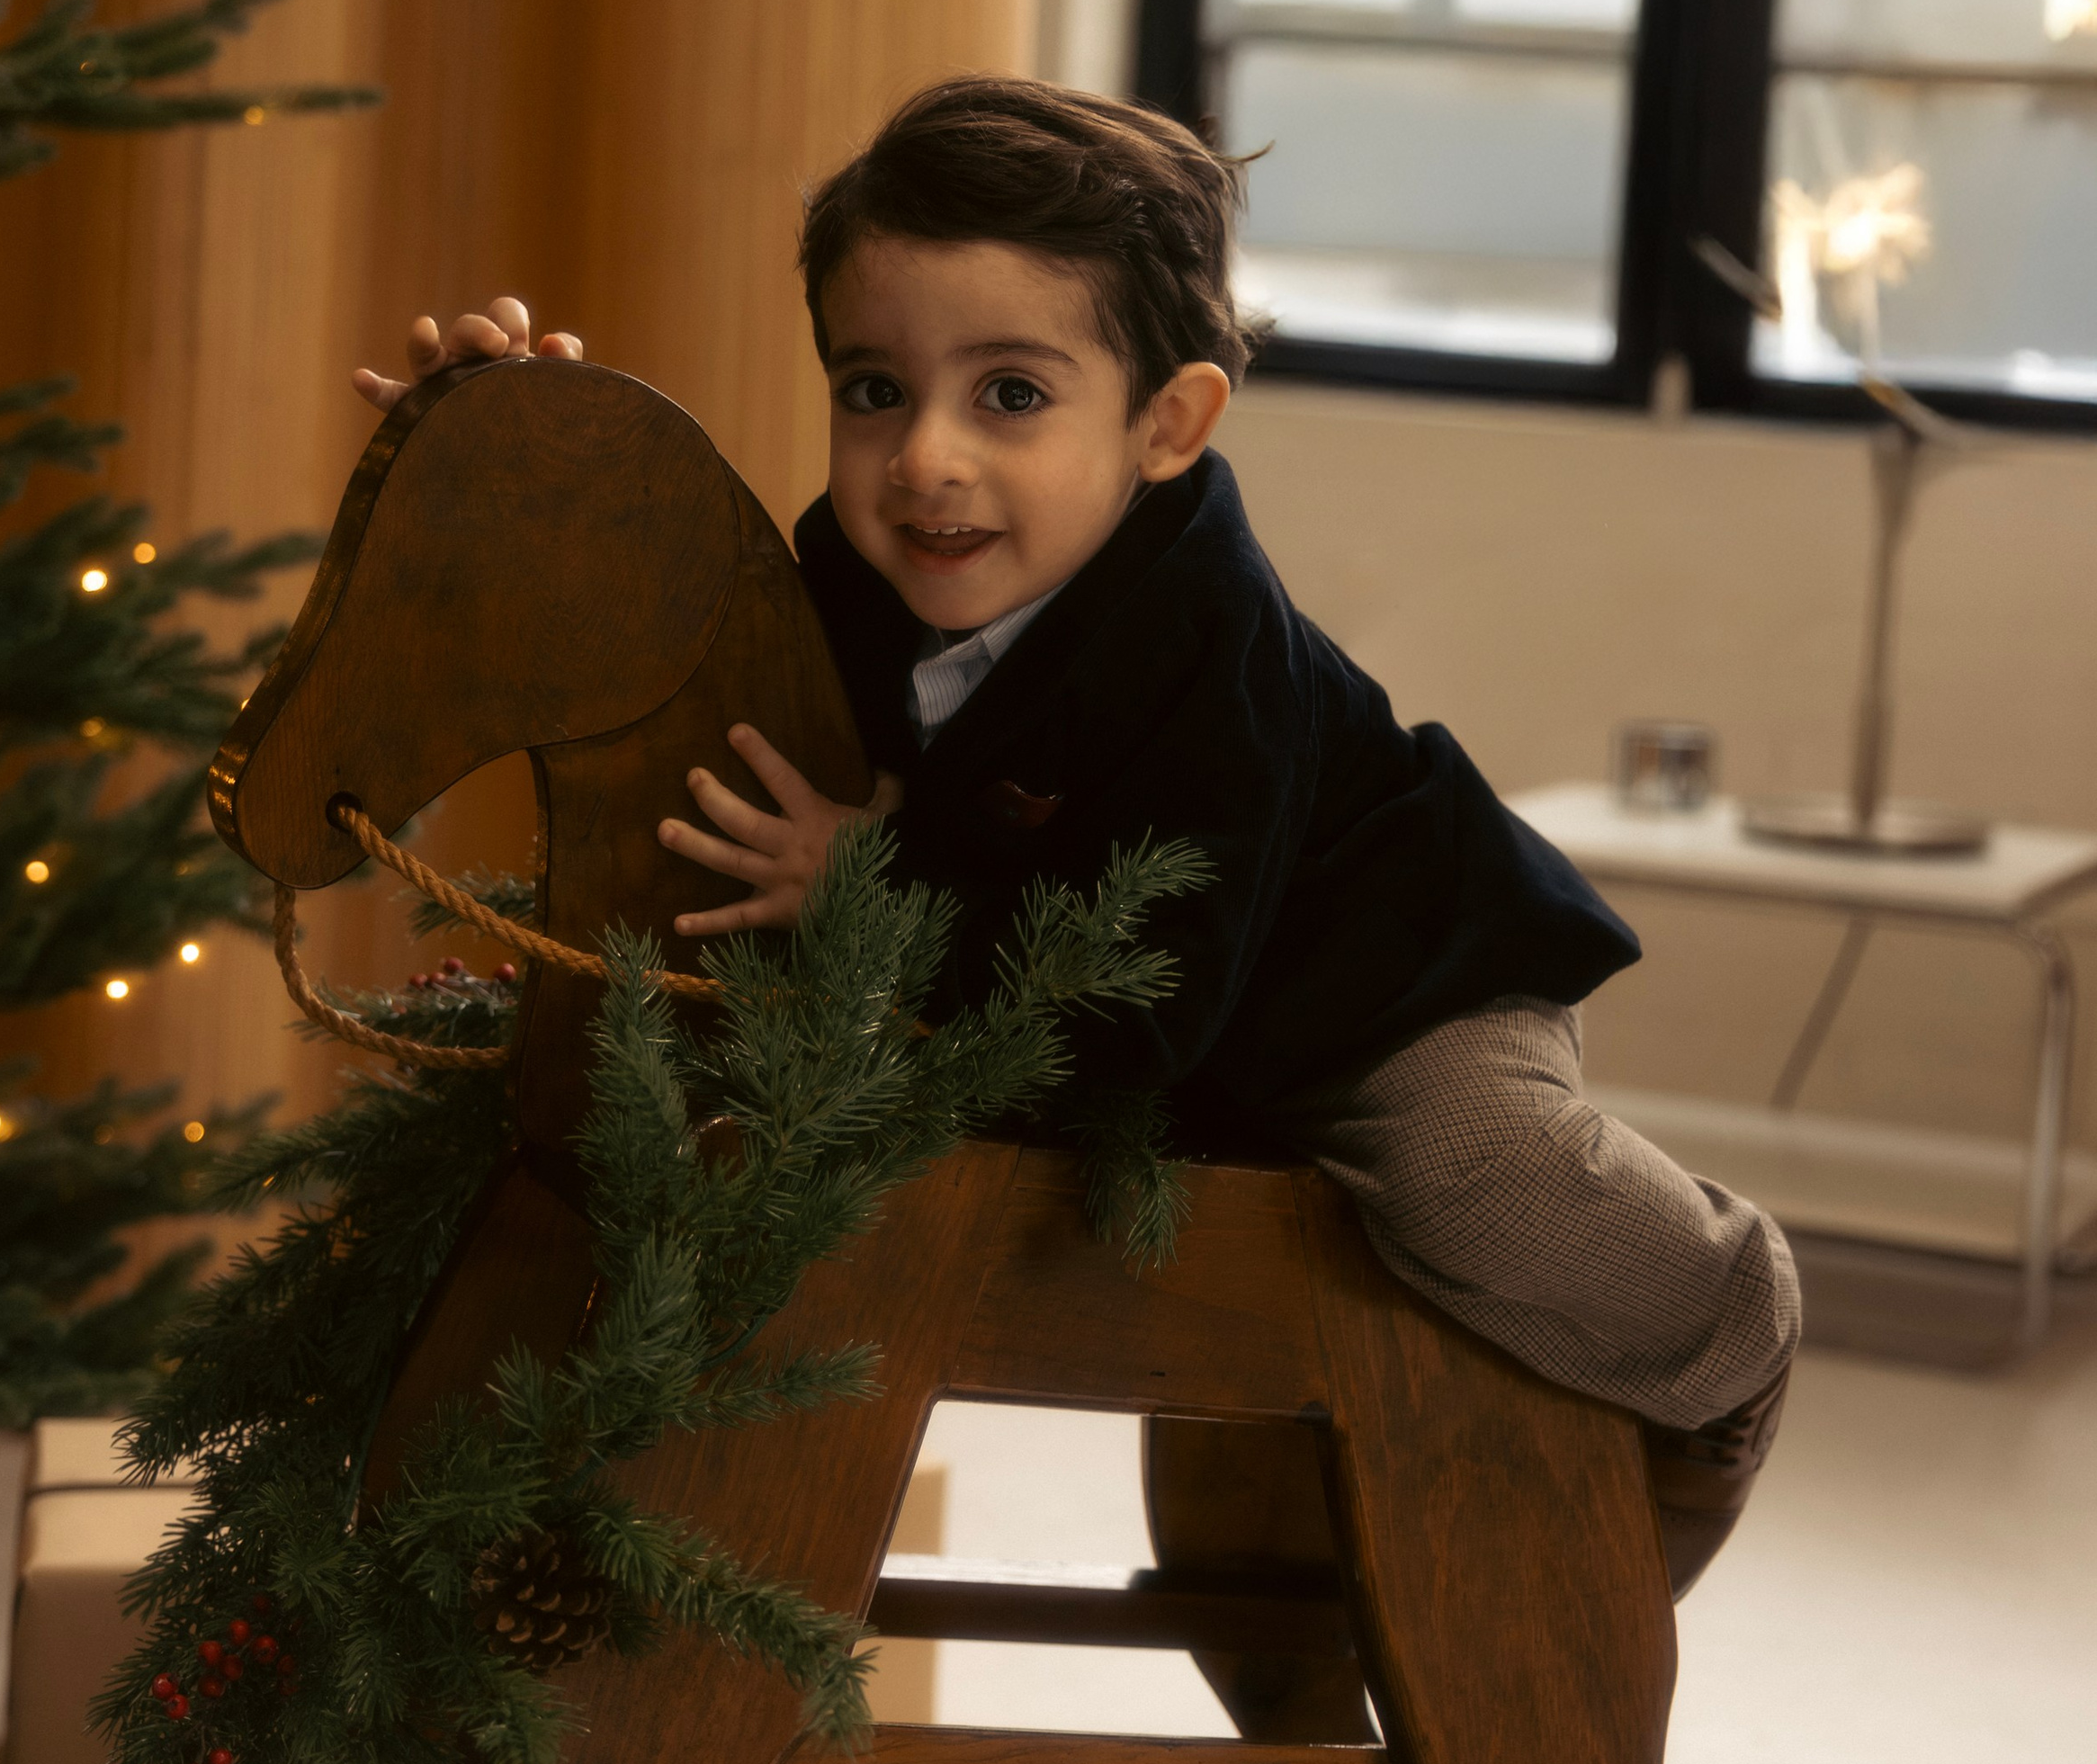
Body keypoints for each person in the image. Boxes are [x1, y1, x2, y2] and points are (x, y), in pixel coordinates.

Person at [355, 75, 1796, 1519]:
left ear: (1166, 426)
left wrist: (880, 876)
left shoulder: (1208, 644)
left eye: (1012, 395)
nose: (926, 458)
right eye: (874, 391)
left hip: (1386, 986)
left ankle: (1730, 1315)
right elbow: (674, 670)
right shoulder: (852, 578)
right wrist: (501, 446)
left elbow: (1138, 988)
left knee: (1469, 1174)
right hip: (1137, 1035)